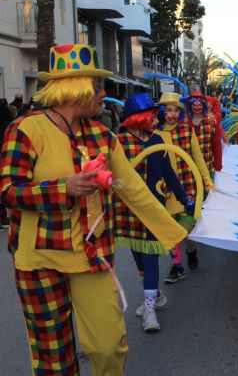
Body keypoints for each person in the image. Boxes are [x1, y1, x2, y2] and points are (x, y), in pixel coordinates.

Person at [0, 44, 187, 375]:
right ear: (76, 88)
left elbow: (134, 191)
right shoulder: (25, 130)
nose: (104, 94)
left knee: (109, 347)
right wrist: (64, 188)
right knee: (53, 359)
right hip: (39, 261)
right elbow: (9, 191)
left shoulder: (102, 135)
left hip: (92, 256)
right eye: (97, 87)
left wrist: (178, 231)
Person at [114, 93, 194, 331]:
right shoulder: (118, 142)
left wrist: (185, 198)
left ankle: (149, 308)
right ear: (139, 117)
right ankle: (156, 295)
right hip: (127, 210)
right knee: (138, 257)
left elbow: (169, 173)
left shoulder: (157, 140)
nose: (157, 119)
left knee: (150, 258)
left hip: (153, 208)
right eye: (151, 115)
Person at [155, 91, 215, 282]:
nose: (172, 114)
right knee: (173, 228)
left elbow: (199, 159)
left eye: (176, 110)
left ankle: (191, 250)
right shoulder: (155, 134)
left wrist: (207, 181)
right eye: (168, 110)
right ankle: (177, 266)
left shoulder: (187, 131)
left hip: (188, 186)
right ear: (162, 111)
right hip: (165, 189)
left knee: (186, 227)